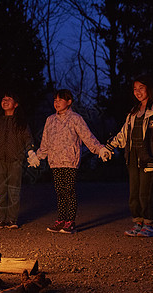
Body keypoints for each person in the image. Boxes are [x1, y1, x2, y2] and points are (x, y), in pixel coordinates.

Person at [102, 75, 153, 237]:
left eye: (141, 88)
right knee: (134, 193)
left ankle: (148, 225)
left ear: (149, 89)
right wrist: (108, 147)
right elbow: (123, 134)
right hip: (133, 157)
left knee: (147, 192)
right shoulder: (133, 113)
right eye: (135, 89)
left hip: (150, 157)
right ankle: (137, 224)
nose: (138, 92)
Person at [29, 89, 107, 234]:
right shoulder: (50, 120)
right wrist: (38, 156)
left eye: (60, 100)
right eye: (55, 100)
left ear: (69, 102)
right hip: (55, 161)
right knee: (60, 191)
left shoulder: (76, 119)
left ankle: (70, 222)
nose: (56, 103)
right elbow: (45, 142)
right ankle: (61, 220)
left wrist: (99, 149)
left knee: (69, 191)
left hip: (70, 160)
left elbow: (87, 136)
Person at [0, 92, 35, 229]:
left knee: (14, 190)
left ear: (15, 104)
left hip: (15, 160)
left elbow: (27, 138)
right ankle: (1, 219)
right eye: (3, 99)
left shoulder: (20, 122)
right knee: (0, 191)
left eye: (9, 99)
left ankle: (12, 219)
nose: (5, 101)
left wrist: (30, 151)